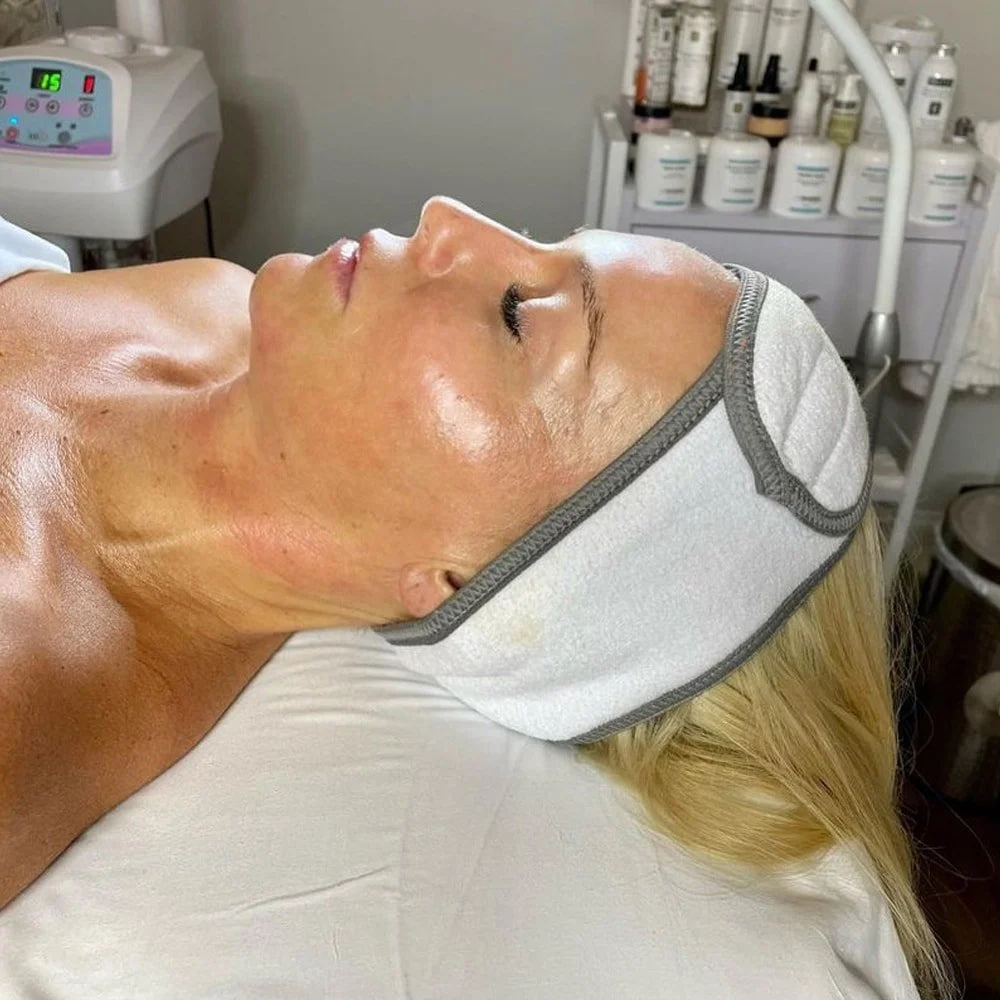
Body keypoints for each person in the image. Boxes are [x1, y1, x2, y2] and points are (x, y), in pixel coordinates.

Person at [0, 201, 948, 997]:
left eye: (517, 315)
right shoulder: (204, 302)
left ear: (467, 580)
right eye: (544, 238)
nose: (447, 217)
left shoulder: (26, 681)